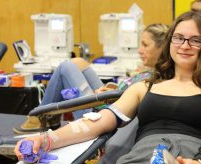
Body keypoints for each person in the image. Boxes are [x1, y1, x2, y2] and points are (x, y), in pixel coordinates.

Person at [14, 11, 201, 164]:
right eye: (178, 38)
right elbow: (95, 123)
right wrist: (46, 139)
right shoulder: (144, 87)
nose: (184, 45)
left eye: (195, 40)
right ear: (170, 42)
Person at [13, 23, 169, 134]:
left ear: (161, 48)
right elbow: (126, 92)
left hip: (100, 114)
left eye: (145, 45)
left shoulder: (153, 77)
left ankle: (38, 117)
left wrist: (105, 96)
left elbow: (128, 102)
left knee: (65, 67)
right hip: (107, 99)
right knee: (78, 62)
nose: (140, 50)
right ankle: (51, 119)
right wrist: (110, 89)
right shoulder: (152, 72)